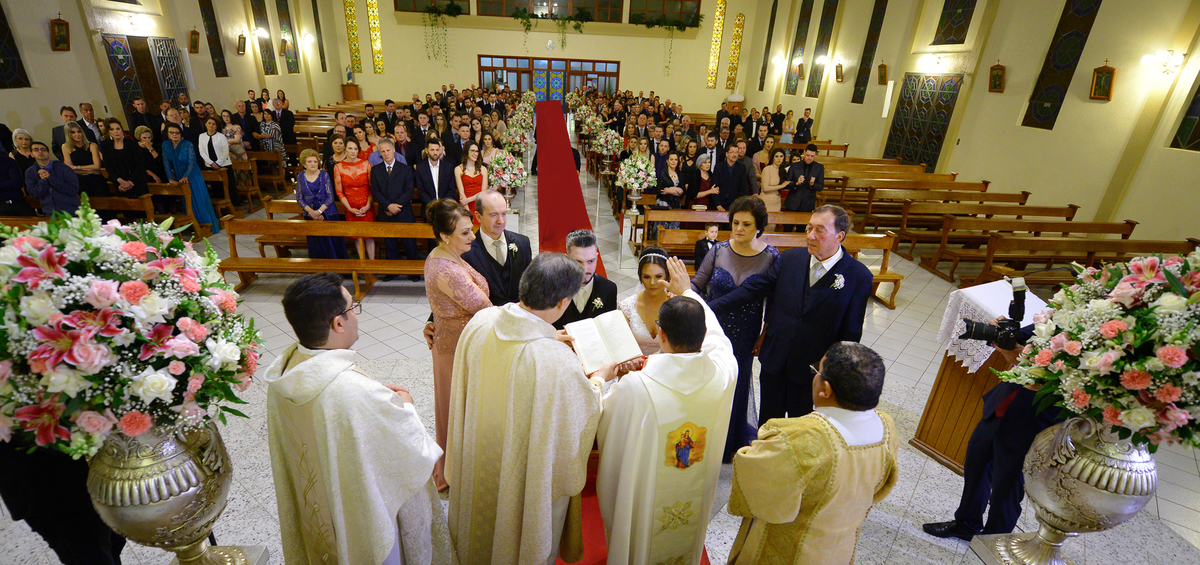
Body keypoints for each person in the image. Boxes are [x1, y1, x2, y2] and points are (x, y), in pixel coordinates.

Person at [264, 273, 455, 565]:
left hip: (320, 504)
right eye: (352, 307)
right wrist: (405, 406)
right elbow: (412, 449)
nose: (356, 314)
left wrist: (376, 399)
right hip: (362, 519)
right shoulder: (349, 391)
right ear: (338, 323)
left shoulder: (288, 371)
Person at [448, 252, 617, 565]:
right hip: (521, 476)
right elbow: (579, 415)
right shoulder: (553, 360)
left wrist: (550, 334)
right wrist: (599, 381)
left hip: (479, 458)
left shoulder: (481, 322)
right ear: (563, 302)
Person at [597, 256, 737, 565]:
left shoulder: (637, 387)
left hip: (647, 505)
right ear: (701, 336)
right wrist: (688, 292)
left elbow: (602, 421)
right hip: (695, 487)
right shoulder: (724, 373)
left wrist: (598, 381)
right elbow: (719, 338)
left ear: (660, 335)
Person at [728, 342, 899, 564]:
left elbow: (760, 497)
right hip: (839, 548)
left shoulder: (797, 437)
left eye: (816, 371)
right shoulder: (886, 428)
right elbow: (879, 487)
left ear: (825, 389)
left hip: (791, 550)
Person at [709, 205, 871, 423]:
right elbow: (754, 289)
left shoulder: (858, 276)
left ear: (840, 236)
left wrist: (829, 374)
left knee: (800, 427)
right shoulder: (791, 259)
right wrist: (707, 307)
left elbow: (850, 333)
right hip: (775, 360)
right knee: (768, 423)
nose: (811, 236)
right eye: (808, 228)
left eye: (820, 230)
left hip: (811, 371)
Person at [922, 323, 1065, 541]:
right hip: (1005, 402)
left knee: (1007, 485)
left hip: (1035, 415)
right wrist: (1003, 335)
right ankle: (966, 524)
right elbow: (1020, 336)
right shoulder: (1060, 314)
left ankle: (991, 544)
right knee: (977, 463)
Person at [691, 196, 780, 461]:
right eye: (735, 222)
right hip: (714, 328)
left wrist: (763, 335)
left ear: (759, 228)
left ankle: (728, 439)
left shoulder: (770, 258)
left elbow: (773, 305)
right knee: (710, 380)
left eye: (746, 224)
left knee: (738, 381)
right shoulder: (718, 250)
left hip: (746, 331)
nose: (739, 228)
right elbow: (697, 284)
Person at [421, 198, 492, 492]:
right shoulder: (446, 268)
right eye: (465, 232)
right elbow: (484, 307)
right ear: (444, 235)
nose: (473, 235)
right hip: (455, 349)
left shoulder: (446, 255)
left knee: (463, 407)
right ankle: (452, 472)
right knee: (455, 410)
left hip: (457, 341)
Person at [370, 138, 421, 269]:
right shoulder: (375, 170)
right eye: (383, 151)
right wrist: (388, 206)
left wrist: (396, 206)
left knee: (409, 242)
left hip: (403, 211)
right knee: (389, 243)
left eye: (388, 150)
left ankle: (413, 270)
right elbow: (375, 191)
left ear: (393, 150)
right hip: (385, 212)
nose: (386, 153)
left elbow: (409, 191)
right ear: (379, 153)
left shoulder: (405, 169)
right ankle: (391, 271)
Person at [554, 229, 618, 329]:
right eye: (578, 262)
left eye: (590, 261)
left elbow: (609, 329)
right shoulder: (554, 287)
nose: (584, 269)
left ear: (597, 257)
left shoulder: (609, 289)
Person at [162, 123, 220, 233]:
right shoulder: (165, 145)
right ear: (167, 134)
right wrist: (170, 178)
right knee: (187, 201)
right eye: (171, 133)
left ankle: (206, 226)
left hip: (192, 175)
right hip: (179, 176)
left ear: (181, 134)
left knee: (198, 199)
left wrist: (185, 176)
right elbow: (166, 163)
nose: (174, 135)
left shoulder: (187, 144)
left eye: (177, 133)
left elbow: (191, 162)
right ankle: (193, 226)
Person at [618, 247, 675, 356]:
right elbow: (622, 346)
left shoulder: (677, 304)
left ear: (667, 275)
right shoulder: (627, 306)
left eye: (658, 276)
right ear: (640, 277)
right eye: (646, 277)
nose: (652, 282)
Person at [295, 149, 347, 260]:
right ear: (304, 163)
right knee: (316, 243)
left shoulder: (324, 175)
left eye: (315, 161)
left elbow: (330, 197)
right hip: (310, 215)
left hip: (328, 213)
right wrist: (312, 213)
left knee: (332, 242)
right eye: (309, 162)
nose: (313, 164)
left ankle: (336, 267)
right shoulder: (300, 176)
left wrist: (319, 212)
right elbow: (299, 198)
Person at [334, 138, 375, 259]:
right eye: (350, 148)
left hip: (366, 204)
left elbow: (372, 188)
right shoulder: (338, 167)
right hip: (350, 206)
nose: (352, 151)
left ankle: (372, 265)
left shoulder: (366, 164)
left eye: (355, 148)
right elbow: (339, 191)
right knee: (357, 236)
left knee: (369, 236)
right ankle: (362, 262)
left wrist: (367, 206)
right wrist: (349, 208)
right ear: (345, 149)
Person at [25, 142, 80, 216]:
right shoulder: (30, 172)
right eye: (36, 150)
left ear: (49, 154)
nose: (40, 152)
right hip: (49, 213)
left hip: (70, 211)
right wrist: (43, 180)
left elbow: (73, 189)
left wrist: (50, 178)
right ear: (31, 154)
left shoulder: (64, 168)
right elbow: (35, 193)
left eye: (43, 150)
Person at [100, 119, 148, 198]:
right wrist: (120, 181)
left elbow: (140, 165)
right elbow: (108, 166)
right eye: (112, 129)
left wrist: (129, 182)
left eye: (118, 128)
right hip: (119, 184)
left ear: (122, 129)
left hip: (136, 182)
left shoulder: (132, 144)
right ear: (109, 132)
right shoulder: (105, 145)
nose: (116, 131)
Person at [61, 121, 108, 198]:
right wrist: (90, 170)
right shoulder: (65, 147)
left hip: (96, 181)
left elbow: (97, 167)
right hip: (80, 182)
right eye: (73, 132)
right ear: (68, 134)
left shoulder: (92, 145)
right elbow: (69, 168)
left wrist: (77, 168)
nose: (77, 135)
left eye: (79, 131)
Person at [784, 144, 824, 215]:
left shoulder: (819, 167)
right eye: (808, 155)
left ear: (816, 155)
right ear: (804, 152)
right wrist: (796, 183)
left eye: (812, 156)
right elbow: (787, 184)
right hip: (793, 202)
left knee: (803, 226)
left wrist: (812, 184)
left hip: (807, 204)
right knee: (788, 226)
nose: (809, 158)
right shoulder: (794, 166)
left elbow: (820, 186)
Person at [416, 138, 457, 204]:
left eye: (437, 150)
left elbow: (451, 189)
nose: (435, 153)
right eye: (432, 150)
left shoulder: (448, 167)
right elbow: (421, 190)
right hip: (428, 208)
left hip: (445, 207)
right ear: (426, 151)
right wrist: (432, 205)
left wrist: (443, 204)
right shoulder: (420, 168)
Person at [454, 140, 487, 221]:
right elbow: (461, 193)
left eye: (477, 151)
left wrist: (468, 200)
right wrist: (467, 212)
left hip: (480, 206)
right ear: (466, 151)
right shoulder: (458, 169)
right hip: (465, 206)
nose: (475, 154)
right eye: (472, 151)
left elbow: (483, 192)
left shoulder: (483, 169)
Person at [712, 145, 749, 212]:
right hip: (720, 203)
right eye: (732, 152)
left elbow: (744, 187)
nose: (734, 155)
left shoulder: (742, 168)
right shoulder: (719, 167)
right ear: (727, 154)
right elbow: (715, 187)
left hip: (735, 204)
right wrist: (718, 205)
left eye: (736, 152)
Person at [759, 148, 790, 227]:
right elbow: (765, 188)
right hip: (766, 202)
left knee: (772, 227)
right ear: (772, 158)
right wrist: (781, 186)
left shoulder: (783, 171)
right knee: (763, 228)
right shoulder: (767, 169)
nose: (779, 159)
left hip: (776, 202)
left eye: (781, 156)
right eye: (776, 156)